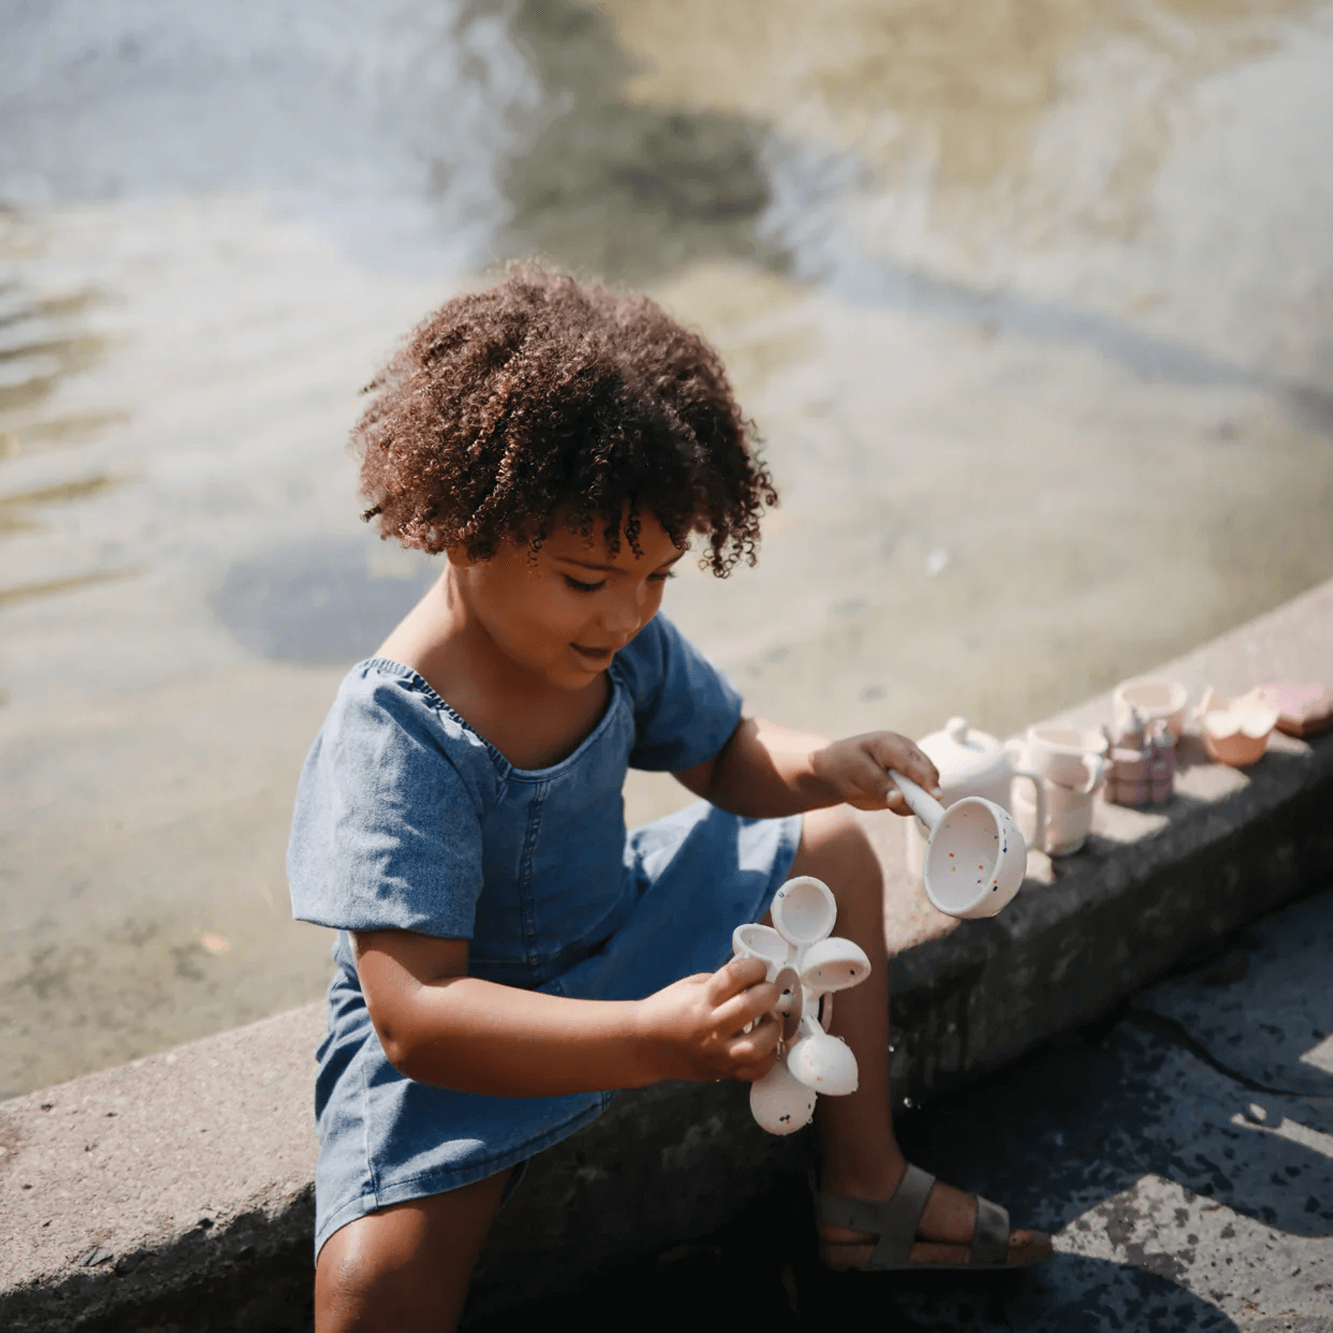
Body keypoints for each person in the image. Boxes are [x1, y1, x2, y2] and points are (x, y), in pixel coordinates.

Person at [288, 266, 1051, 1333]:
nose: (627, 613)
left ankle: (865, 1183)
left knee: (828, 840)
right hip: (477, 1029)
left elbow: (726, 752)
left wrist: (826, 762)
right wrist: (650, 1036)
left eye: (658, 576)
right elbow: (416, 1016)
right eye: (590, 579)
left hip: (615, 930)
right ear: (467, 527)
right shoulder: (398, 733)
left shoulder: (616, 638)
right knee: (372, 1291)